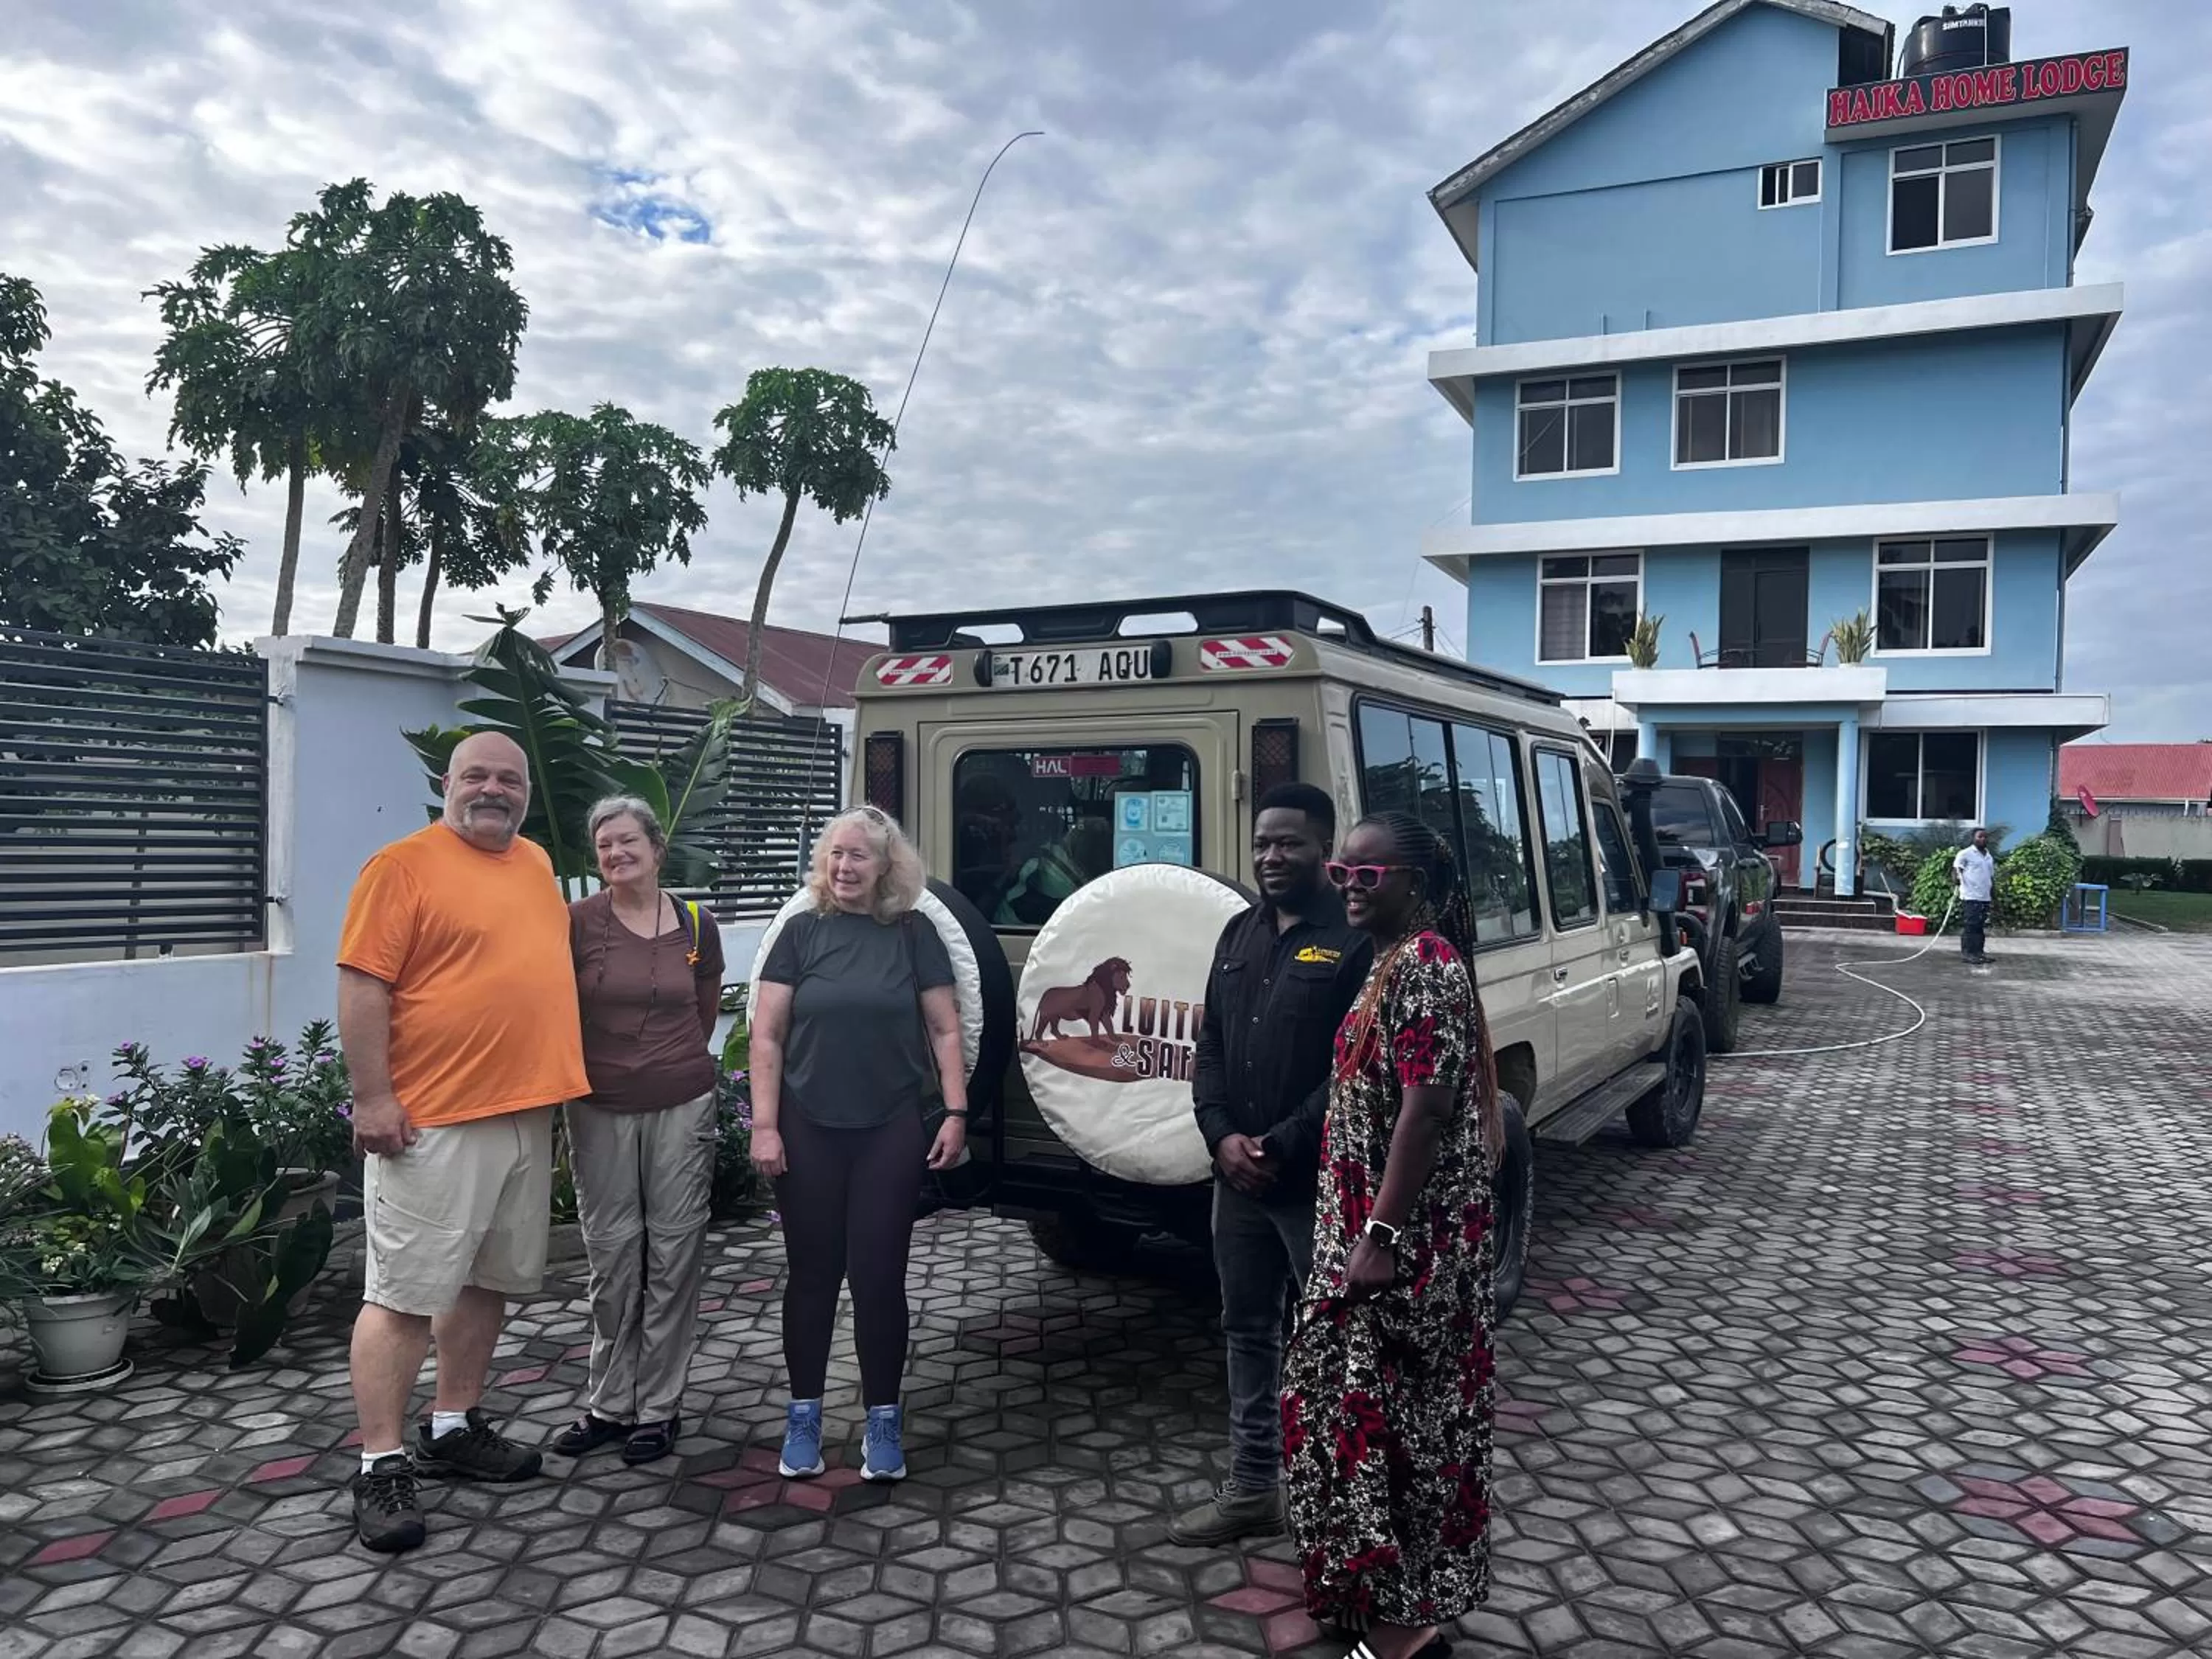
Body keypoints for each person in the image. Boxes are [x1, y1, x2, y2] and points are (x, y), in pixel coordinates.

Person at [337, 731, 588, 1554]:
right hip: (433, 1119)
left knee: (486, 1283)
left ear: (525, 792)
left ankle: (453, 1426)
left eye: (509, 779)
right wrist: (372, 1096)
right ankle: (380, 1464)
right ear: (447, 784)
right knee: (405, 1295)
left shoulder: (536, 863)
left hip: (524, 1111)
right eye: (476, 775)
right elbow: (363, 982)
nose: (493, 789)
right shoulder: (401, 866)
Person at [1281, 812, 1503, 1659]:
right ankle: (1372, 1591)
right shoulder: (1390, 963)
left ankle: (1410, 1625)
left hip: (1409, 1252)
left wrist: (1378, 1233)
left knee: (1409, 1429)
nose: (1348, 884)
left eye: (1368, 875)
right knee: (1345, 1412)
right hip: (1364, 1238)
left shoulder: (1430, 968)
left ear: (1416, 884)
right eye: (1342, 870)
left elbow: (1428, 1111)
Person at [748, 806, 971, 1483]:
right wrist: (763, 1125)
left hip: (890, 1128)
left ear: (886, 868)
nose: (844, 868)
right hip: (806, 1126)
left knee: (879, 1280)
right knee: (813, 1277)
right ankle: (804, 1416)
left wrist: (957, 1112)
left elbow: (945, 1032)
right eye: (835, 855)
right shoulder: (799, 931)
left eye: (859, 857)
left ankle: (883, 1421)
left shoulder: (913, 932)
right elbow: (766, 1036)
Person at [1175, 783, 1371, 1545]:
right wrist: (1221, 1135)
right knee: (1247, 1329)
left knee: (1335, 1340)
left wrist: (1280, 1143)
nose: (1271, 856)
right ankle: (1254, 1488)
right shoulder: (1237, 934)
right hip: (1239, 1182)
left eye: (1288, 843)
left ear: (1325, 849)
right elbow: (1212, 1045)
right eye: (1262, 843)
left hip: (1313, 1183)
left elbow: (1353, 1066)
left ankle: (1336, 1504)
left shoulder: (1355, 941)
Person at [553, 796, 726, 1466]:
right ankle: (607, 1402)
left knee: (675, 1252)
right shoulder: (575, 923)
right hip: (597, 1105)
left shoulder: (693, 923)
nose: (617, 854)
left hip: (681, 1101)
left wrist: (671, 1062)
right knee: (613, 1253)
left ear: (657, 849)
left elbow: (705, 1003)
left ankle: (658, 1408)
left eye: (628, 842)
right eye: (604, 847)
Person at [1953, 827, 1996, 964]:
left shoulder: (1989, 856)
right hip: (1971, 895)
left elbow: (1990, 876)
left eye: (1985, 837)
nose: (1983, 839)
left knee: (1980, 926)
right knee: (1971, 926)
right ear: (1973, 838)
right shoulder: (1965, 854)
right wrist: (1956, 879)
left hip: (1984, 896)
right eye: (1979, 837)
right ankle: (1968, 953)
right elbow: (1956, 869)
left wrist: (1993, 894)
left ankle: (1979, 952)